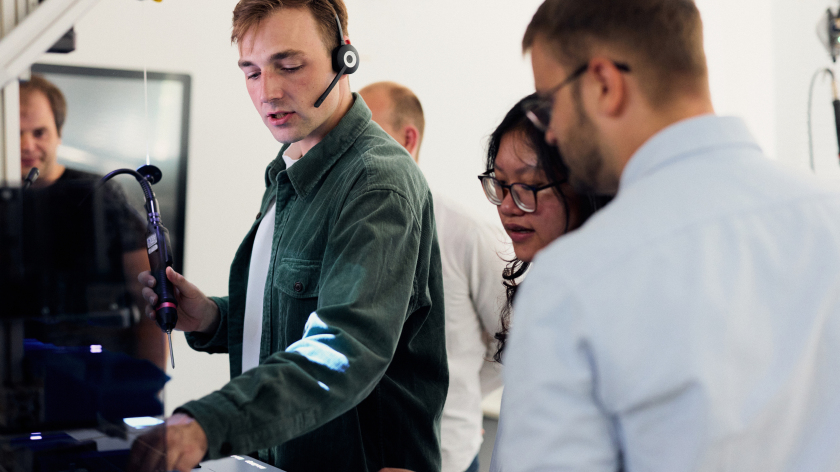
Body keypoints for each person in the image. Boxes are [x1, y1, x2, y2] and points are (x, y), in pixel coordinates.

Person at [499, 0, 840, 470]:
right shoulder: (829, 218)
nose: (551, 133)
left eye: (548, 105)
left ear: (604, 84)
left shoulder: (573, 281)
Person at [137, 2, 447, 471]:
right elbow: (294, 319)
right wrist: (214, 318)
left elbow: (344, 346)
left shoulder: (376, 185)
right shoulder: (291, 167)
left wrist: (208, 424)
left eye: (290, 65)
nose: (269, 92)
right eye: (252, 72)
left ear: (344, 58)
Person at [359, 81, 508, 472]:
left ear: (408, 139)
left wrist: (460, 397)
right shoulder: (346, 229)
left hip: (447, 458)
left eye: (366, 133)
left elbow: (510, 342)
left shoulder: (467, 232)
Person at [477, 95, 608, 472]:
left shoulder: (602, 301)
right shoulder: (543, 287)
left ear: (585, 188)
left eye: (530, 186)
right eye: (500, 184)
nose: (507, 205)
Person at [18, 75, 162, 368]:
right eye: (15, 132)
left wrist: (148, 388)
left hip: (95, 380)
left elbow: (149, 295)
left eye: (39, 132)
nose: (26, 145)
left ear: (58, 133)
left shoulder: (100, 194)